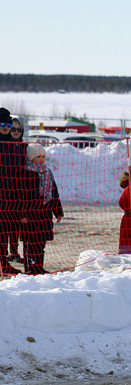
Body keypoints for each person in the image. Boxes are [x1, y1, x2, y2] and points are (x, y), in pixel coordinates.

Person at [19, 143, 62, 274]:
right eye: (38, 156)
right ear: (31, 157)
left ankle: (39, 265)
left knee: (40, 242)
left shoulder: (47, 172)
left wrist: (58, 211)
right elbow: (20, 195)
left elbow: (54, 192)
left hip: (44, 213)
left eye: (43, 156)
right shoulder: (25, 172)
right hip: (30, 215)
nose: (41, 159)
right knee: (30, 242)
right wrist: (22, 214)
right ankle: (30, 267)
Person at [0, 107, 26, 275]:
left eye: (8, 123)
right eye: (2, 123)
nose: (7, 127)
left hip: (8, 195)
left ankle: (4, 264)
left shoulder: (12, 144)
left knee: (4, 231)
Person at [6, 117, 24, 264]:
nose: (16, 132)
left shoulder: (24, 148)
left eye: (19, 129)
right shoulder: (5, 146)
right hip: (6, 190)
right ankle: (3, 253)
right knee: (4, 224)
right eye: (13, 129)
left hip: (19, 191)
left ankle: (14, 251)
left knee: (15, 224)